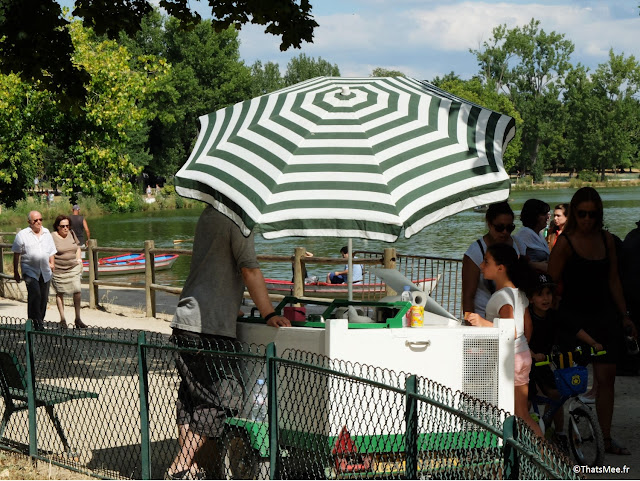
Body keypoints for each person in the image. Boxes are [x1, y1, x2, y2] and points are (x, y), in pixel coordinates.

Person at [166, 206, 291, 480]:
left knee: (191, 400)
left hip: (185, 321)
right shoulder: (239, 221)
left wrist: (230, 305)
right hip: (210, 330)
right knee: (224, 399)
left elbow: (212, 268)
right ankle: (180, 466)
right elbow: (250, 270)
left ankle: (189, 469)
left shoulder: (208, 215)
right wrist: (269, 313)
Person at [548, 186, 636, 456]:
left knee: (606, 378)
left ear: (599, 215)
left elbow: (613, 281)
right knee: (568, 380)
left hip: (605, 315)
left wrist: (625, 316)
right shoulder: (565, 242)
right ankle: (561, 435)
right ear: (575, 213)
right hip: (573, 317)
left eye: (592, 215)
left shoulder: (607, 240)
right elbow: (550, 283)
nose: (587, 219)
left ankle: (606, 438)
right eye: (582, 214)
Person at [466, 243, 543, 437]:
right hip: (523, 356)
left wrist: (483, 322)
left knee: (502, 415)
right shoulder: (519, 293)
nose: (482, 266)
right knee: (523, 414)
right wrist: (523, 349)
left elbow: (511, 329)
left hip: (509, 361)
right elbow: (527, 328)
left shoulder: (501, 296)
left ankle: (507, 462)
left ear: (501, 268)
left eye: (486, 262)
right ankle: (546, 459)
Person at [527, 273, 567, 449]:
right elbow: (519, 340)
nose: (546, 298)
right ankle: (523, 433)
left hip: (543, 364)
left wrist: (592, 343)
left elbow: (571, 330)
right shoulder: (526, 316)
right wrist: (533, 354)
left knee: (557, 395)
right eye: (540, 294)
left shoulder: (554, 316)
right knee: (525, 401)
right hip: (525, 364)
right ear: (530, 298)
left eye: (548, 293)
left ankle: (559, 433)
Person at [462, 201, 521, 319]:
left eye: (510, 228)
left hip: (510, 317)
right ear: (489, 224)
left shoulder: (516, 245)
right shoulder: (475, 252)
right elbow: (468, 296)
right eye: (500, 227)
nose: (505, 232)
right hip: (483, 319)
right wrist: (471, 325)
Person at [11, 211, 57, 331]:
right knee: (35, 294)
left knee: (43, 297)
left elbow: (51, 250)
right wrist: (16, 271)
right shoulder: (22, 235)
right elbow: (16, 254)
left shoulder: (47, 233)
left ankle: (38, 320)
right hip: (30, 270)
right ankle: (36, 322)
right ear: (29, 222)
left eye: (40, 219)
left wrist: (52, 263)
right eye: (35, 220)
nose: (38, 222)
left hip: (45, 270)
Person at [51, 215, 86, 329]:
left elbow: (78, 247)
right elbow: (49, 252)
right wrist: (51, 264)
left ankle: (78, 318)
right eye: (63, 226)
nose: (66, 228)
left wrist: (79, 259)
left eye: (67, 225)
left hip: (73, 267)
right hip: (59, 270)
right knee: (60, 292)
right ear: (57, 227)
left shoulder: (71, 233)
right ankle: (62, 319)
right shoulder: (52, 236)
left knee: (77, 290)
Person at [513, 199, 550, 272]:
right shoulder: (524, 234)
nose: (547, 217)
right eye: (543, 214)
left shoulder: (539, 234)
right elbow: (518, 262)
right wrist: (535, 265)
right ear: (534, 216)